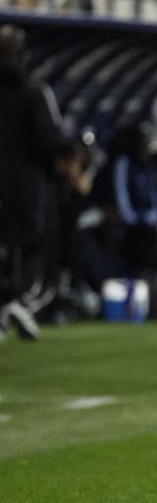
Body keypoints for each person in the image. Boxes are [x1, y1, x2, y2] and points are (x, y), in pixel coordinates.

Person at [0, 24, 61, 341]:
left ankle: (7, 302)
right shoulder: (34, 92)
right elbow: (49, 140)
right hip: (26, 183)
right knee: (29, 243)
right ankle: (15, 300)